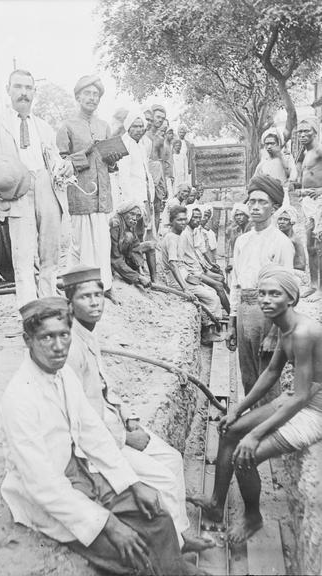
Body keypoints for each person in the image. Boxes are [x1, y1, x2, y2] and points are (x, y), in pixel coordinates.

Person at [0, 296, 193, 575]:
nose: (58, 346)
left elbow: (93, 434)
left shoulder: (64, 375)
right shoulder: (19, 399)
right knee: (131, 556)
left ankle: (177, 569)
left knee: (158, 517)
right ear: (27, 339)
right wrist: (109, 524)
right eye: (46, 337)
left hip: (82, 475)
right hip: (50, 497)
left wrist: (132, 482)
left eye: (64, 334)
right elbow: (43, 485)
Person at [62, 266, 215, 567]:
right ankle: (175, 549)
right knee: (163, 477)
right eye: (85, 297)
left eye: (97, 295)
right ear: (70, 304)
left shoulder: (88, 334)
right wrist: (124, 437)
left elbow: (104, 387)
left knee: (171, 458)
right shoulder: (70, 348)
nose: (94, 302)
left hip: (115, 426)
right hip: (98, 446)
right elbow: (79, 420)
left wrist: (128, 415)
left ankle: (181, 533)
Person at [188, 265, 322, 544]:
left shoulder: (302, 332)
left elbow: (299, 397)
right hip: (302, 395)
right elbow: (273, 372)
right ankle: (216, 503)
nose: (266, 300)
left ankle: (252, 517)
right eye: (262, 294)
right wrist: (237, 408)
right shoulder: (284, 325)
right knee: (229, 430)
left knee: (244, 455)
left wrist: (255, 434)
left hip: (315, 409)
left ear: (291, 299)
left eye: (275, 294)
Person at [0, 69, 73, 307]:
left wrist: (64, 167)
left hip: (46, 189)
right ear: (8, 90)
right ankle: (30, 313)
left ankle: (50, 305)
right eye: (18, 87)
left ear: (34, 92)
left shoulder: (43, 126)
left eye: (28, 88)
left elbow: (54, 160)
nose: (23, 93)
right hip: (17, 193)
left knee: (50, 255)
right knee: (22, 258)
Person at [227, 175, 294, 397]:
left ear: (274, 207)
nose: (255, 207)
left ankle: (268, 429)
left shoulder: (281, 243)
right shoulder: (242, 241)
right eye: (252, 201)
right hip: (245, 310)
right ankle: (251, 423)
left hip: (269, 313)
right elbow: (236, 284)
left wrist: (276, 332)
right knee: (248, 376)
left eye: (262, 202)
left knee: (267, 377)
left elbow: (289, 294)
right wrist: (232, 322)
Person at [56, 75, 122, 299]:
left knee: (102, 242)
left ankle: (106, 286)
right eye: (88, 93)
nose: (92, 98)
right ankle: (82, 288)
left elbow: (109, 162)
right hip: (81, 192)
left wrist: (112, 158)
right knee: (82, 243)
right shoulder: (67, 126)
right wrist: (85, 153)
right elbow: (61, 163)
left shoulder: (104, 126)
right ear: (78, 96)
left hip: (102, 193)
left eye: (96, 95)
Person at [161, 205, 223, 344]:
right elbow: (173, 265)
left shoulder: (178, 236)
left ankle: (211, 327)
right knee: (212, 298)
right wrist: (185, 288)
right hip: (175, 281)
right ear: (171, 221)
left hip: (184, 276)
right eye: (179, 220)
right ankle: (207, 332)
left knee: (211, 290)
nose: (183, 222)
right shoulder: (171, 238)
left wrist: (192, 279)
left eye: (184, 219)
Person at [180, 205, 230, 315]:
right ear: (189, 217)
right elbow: (180, 259)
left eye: (199, 217)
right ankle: (231, 315)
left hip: (198, 267)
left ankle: (228, 308)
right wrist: (188, 275)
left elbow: (199, 252)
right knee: (219, 285)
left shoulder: (194, 231)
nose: (197, 220)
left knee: (220, 279)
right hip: (192, 271)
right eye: (194, 217)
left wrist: (208, 264)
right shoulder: (184, 234)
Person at [116, 108, 155, 235]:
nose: (139, 129)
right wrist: (130, 201)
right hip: (131, 196)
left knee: (142, 230)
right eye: (135, 126)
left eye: (141, 126)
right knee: (130, 232)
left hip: (143, 193)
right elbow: (123, 176)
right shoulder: (125, 144)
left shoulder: (141, 145)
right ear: (128, 127)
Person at [296, 117, 322, 300]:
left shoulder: (320, 149)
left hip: (320, 201)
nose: (303, 134)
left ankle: (320, 288)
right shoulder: (305, 152)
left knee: (319, 244)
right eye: (300, 132)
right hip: (307, 203)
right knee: (310, 246)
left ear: (315, 131)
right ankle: (313, 284)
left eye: (307, 131)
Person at [109, 201, 156, 287]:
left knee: (150, 245)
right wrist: (137, 277)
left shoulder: (130, 222)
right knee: (128, 236)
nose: (134, 218)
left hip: (126, 254)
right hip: (114, 258)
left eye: (137, 215)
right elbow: (115, 258)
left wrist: (139, 266)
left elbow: (135, 246)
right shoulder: (115, 224)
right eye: (132, 214)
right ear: (124, 212)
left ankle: (154, 281)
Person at [141, 104, 167, 232]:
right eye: (158, 117)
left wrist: (164, 182)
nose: (160, 120)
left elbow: (161, 161)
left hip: (157, 173)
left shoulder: (161, 139)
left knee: (157, 206)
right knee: (145, 205)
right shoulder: (142, 136)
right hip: (145, 172)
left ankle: (155, 236)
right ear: (152, 116)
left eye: (163, 118)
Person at [275, 206, 306, 272]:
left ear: (292, 222)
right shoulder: (276, 238)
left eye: (285, 219)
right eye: (280, 219)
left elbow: (301, 264)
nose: (281, 222)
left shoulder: (294, 240)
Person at [225, 203, 251, 275]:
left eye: (241, 214)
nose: (239, 217)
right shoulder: (237, 231)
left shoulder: (251, 230)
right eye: (236, 215)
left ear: (247, 215)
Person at [163, 127, 175, 200]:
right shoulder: (164, 146)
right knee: (169, 197)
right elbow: (163, 162)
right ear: (165, 134)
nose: (171, 135)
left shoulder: (170, 146)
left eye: (172, 133)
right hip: (166, 175)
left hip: (170, 175)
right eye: (169, 133)